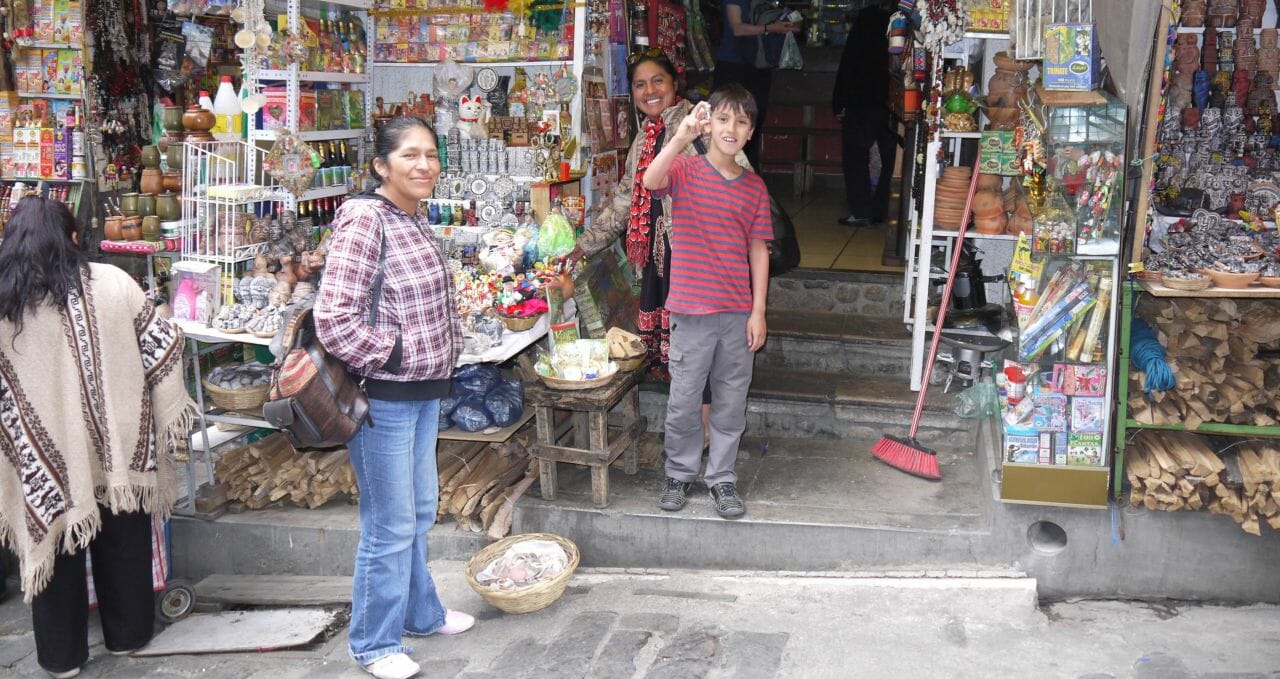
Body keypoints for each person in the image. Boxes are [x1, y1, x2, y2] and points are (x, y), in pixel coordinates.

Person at [0, 196, 195, 678]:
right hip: (121, 443)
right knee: (124, 539)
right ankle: (128, 637)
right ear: (72, 237)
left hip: (44, 457)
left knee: (54, 536)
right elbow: (161, 347)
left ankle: (61, 659)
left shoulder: (4, 303)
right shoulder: (113, 283)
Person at [315, 116, 474, 679]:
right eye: (410, 155)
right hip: (384, 396)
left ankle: (420, 613)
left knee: (419, 511)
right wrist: (398, 355)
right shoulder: (364, 220)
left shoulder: (412, 217)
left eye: (431, 154)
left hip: (421, 392)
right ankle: (374, 643)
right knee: (389, 523)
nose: (424, 165)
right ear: (382, 165)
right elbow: (333, 319)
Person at [568, 50, 748, 451]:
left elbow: (742, 181)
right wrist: (582, 246)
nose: (650, 91)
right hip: (661, 260)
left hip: (699, 264)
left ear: (674, 84)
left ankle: (704, 435)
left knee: (699, 350)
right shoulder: (646, 135)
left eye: (658, 81)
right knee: (683, 353)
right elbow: (625, 201)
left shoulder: (702, 125)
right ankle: (693, 432)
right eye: (640, 84)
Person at [642, 85, 772, 519]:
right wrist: (680, 136)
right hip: (691, 311)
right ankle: (678, 473)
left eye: (741, 122)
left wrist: (758, 311)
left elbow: (758, 249)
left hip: (737, 314)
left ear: (750, 132)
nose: (730, 128)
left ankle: (723, 477)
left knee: (732, 400)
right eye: (722, 119)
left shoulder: (754, 188)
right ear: (709, 124)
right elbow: (650, 181)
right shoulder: (686, 170)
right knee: (683, 399)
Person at [713, 0, 800, 168]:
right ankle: (726, 176)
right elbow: (737, 28)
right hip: (733, 67)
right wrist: (771, 28)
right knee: (727, 124)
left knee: (752, 126)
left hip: (758, 66)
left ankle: (748, 177)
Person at [832, 0, 896, 227]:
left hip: (862, 96)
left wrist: (839, 101)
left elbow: (850, 60)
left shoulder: (867, 18)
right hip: (896, 98)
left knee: (855, 156)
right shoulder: (906, 16)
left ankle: (861, 211)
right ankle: (883, 209)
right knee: (893, 158)